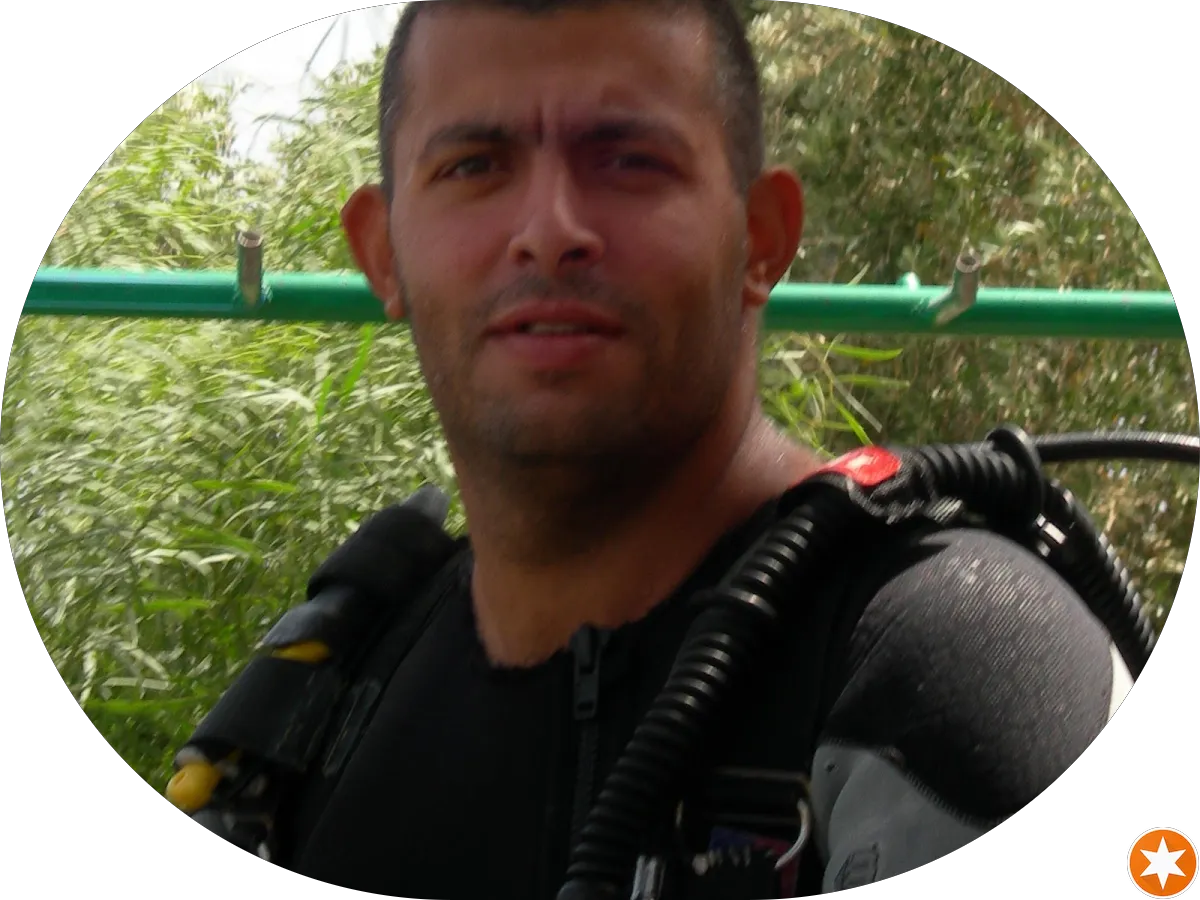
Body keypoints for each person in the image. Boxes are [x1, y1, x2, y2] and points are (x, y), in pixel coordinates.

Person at [210, 1, 1129, 896]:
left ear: (762, 237)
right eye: (474, 165)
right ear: (382, 252)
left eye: (629, 160)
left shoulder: (955, 667)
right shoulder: (334, 681)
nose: (549, 232)